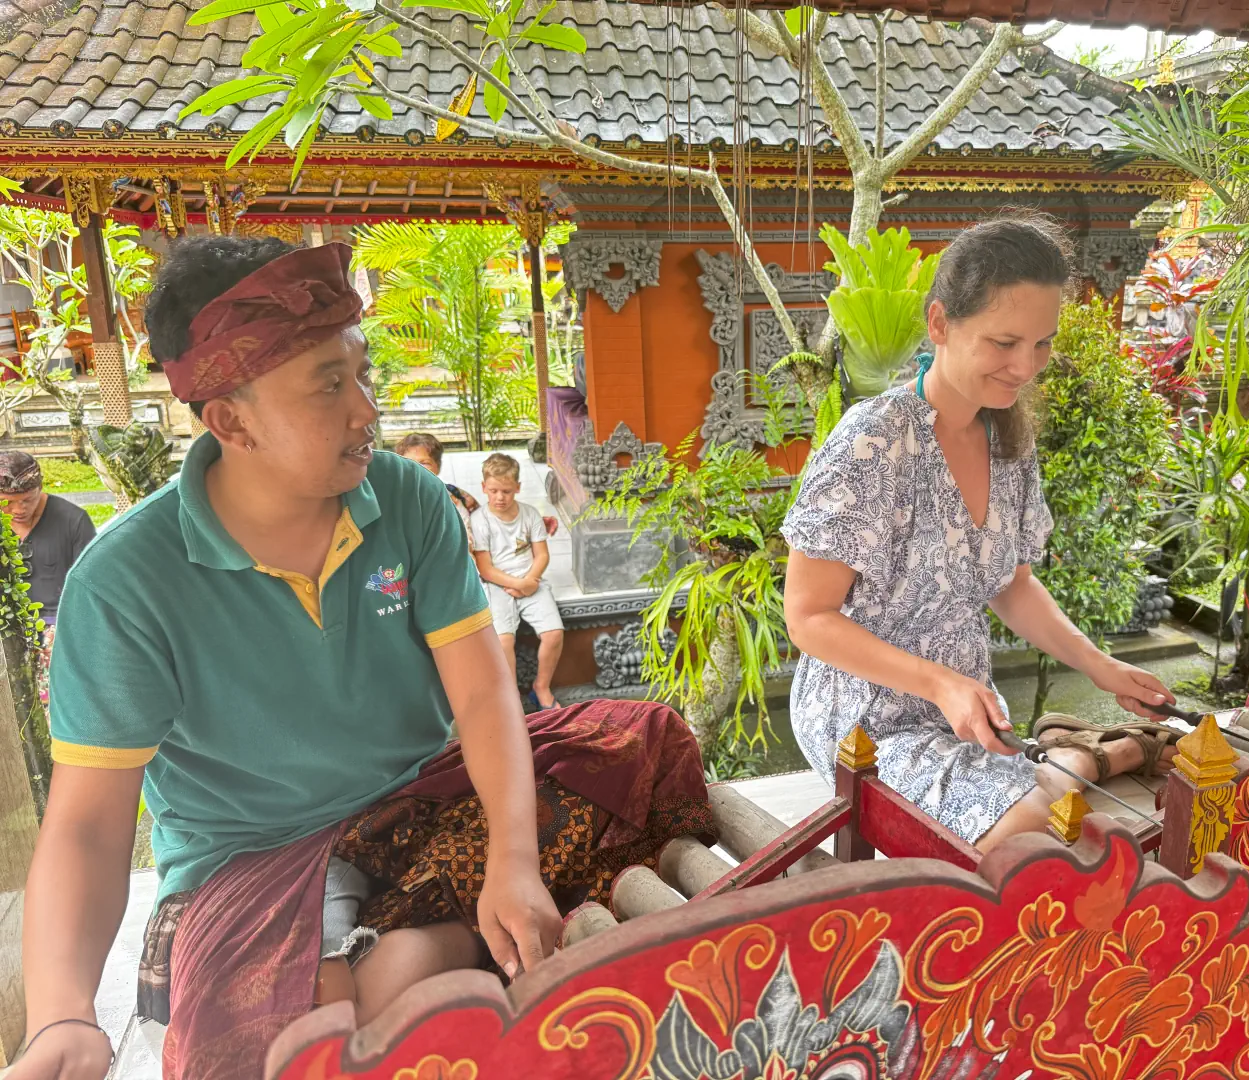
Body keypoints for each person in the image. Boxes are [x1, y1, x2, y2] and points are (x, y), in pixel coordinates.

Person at [11, 236, 710, 1080]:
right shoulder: (123, 583)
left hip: (423, 805)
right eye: (329, 386)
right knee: (282, 1038)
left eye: (363, 373)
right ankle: (428, 957)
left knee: (646, 746)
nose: (367, 411)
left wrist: (514, 862)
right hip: (252, 862)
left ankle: (434, 948)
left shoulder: (408, 500)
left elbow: (487, 700)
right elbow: (87, 827)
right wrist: (61, 1015)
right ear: (230, 419)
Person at [782, 215, 1181, 854]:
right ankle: (1087, 757)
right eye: (1003, 343)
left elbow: (1011, 585)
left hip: (965, 702)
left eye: (1042, 344)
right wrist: (938, 683)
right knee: (1037, 837)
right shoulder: (872, 442)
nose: (1025, 367)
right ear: (940, 325)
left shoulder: (1006, 440)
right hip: (866, 716)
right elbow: (807, 617)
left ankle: (1091, 755)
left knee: (1069, 822)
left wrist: (1099, 665)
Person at [471, 453, 564, 710]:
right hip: (497, 586)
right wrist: (518, 584)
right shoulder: (480, 520)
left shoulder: (530, 514)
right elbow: (485, 568)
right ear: (484, 488)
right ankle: (511, 696)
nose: (500, 497)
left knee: (554, 633)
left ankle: (541, 687)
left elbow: (542, 554)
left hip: (531, 581)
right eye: (494, 491)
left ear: (518, 488)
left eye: (507, 491)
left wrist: (530, 580)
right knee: (504, 641)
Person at [394, 432, 558, 550]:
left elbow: (489, 523)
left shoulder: (456, 495)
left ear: (437, 466)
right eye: (408, 463)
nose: (416, 469)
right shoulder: (394, 504)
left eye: (425, 463)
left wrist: (535, 523)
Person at [0, 450, 97, 626]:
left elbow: (91, 587)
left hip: (61, 624)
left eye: (28, 500)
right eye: (7, 503)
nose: (19, 510)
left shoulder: (74, 520)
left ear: (41, 488)